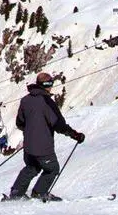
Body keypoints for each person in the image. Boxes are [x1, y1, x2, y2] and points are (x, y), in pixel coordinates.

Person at [5, 72, 84, 202]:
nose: (51, 87)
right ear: (46, 85)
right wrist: (75, 135)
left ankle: (16, 193)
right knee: (52, 168)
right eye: (50, 84)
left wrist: (31, 131)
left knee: (32, 168)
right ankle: (39, 193)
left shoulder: (25, 100)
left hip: (29, 145)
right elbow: (59, 125)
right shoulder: (47, 102)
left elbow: (20, 122)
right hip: (43, 146)